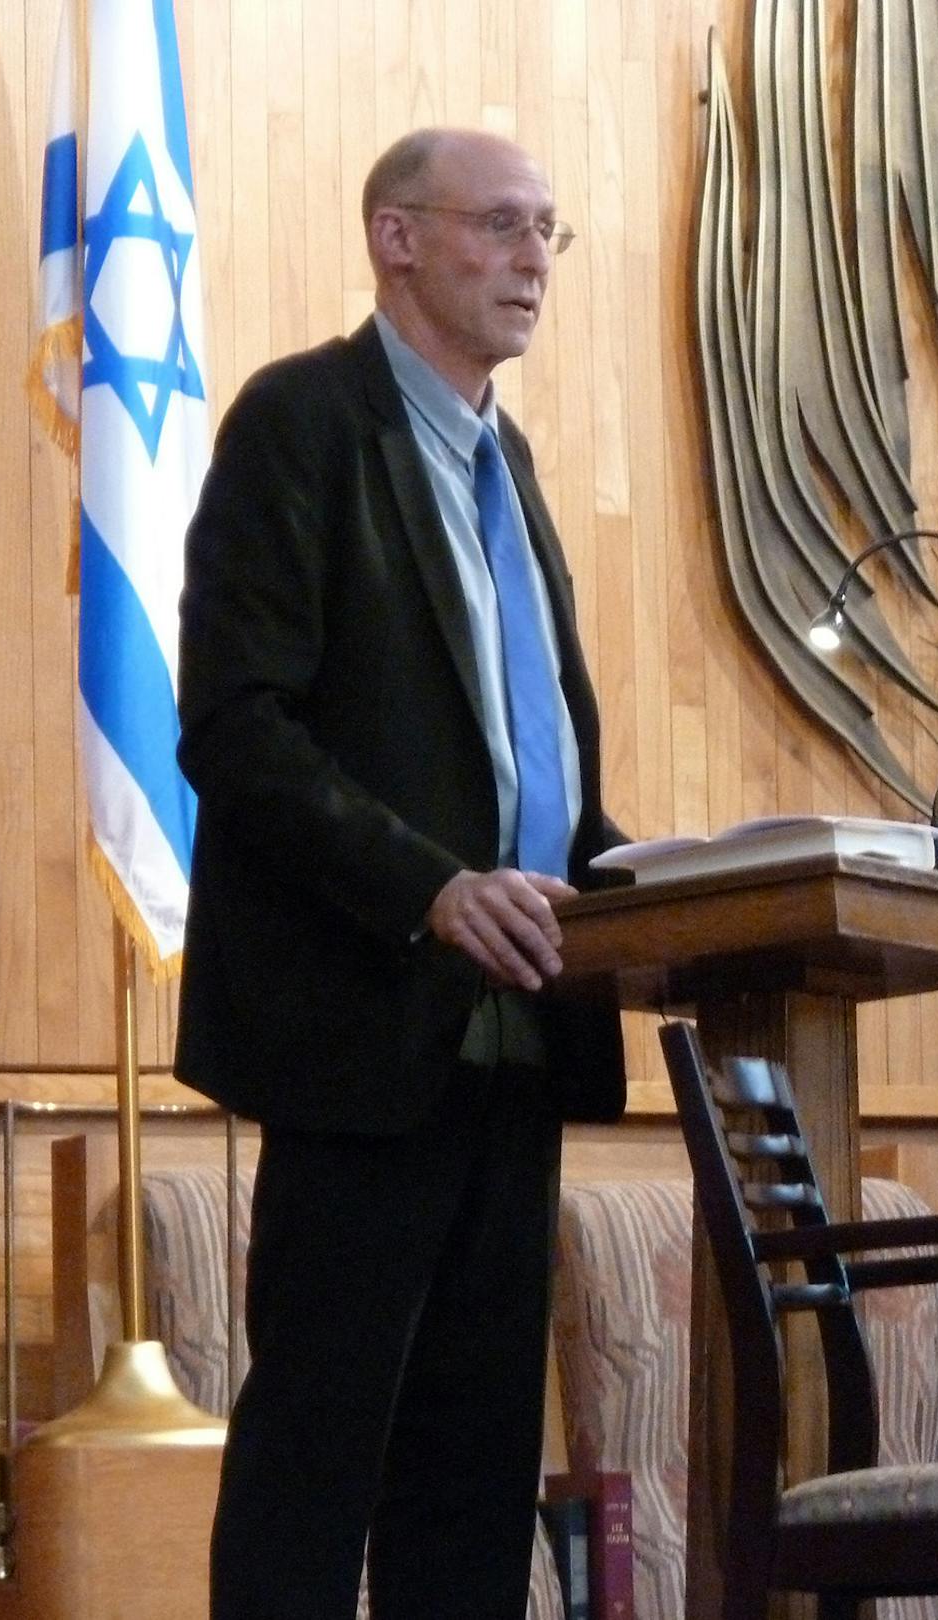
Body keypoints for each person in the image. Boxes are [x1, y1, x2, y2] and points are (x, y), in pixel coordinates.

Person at [173, 127, 625, 1620]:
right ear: (397, 238)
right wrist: (429, 888)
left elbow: (524, 757)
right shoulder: (304, 424)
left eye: (550, 230)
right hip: (364, 1028)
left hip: (522, 1033)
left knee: (471, 1484)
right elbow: (236, 730)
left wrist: (646, 880)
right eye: (500, 226)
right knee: (318, 1465)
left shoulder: (511, 464)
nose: (533, 261)